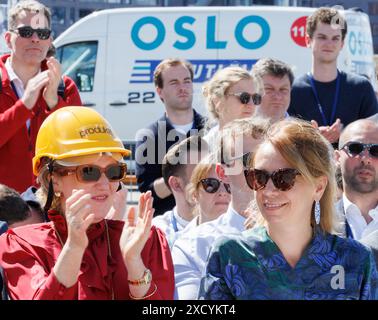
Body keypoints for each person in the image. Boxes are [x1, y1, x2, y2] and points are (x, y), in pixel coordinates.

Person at [0, 107, 174, 300]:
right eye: (89, 171)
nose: (105, 183)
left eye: (114, 171)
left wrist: (134, 265)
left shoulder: (147, 240)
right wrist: (73, 248)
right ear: (53, 180)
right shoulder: (22, 243)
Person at [200, 118, 378, 300]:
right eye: (258, 177)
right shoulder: (229, 254)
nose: (268, 190)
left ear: (318, 187)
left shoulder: (356, 259)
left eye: (284, 178)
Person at [172, 117, 268, 299]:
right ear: (222, 172)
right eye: (249, 159)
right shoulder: (195, 244)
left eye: (268, 158)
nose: (260, 168)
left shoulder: (303, 236)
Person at [0, 0, 82, 194]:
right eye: (26, 32)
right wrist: (24, 105)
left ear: (49, 40)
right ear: (8, 38)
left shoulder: (65, 87)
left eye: (43, 34)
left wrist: (54, 103)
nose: (35, 39)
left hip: (51, 204)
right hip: (3, 206)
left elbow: (77, 147)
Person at [288, 7, 378, 146]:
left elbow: (374, 136)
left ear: (342, 43)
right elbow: (285, 141)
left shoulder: (361, 88)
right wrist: (313, 137)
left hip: (350, 167)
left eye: (335, 38)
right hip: (308, 167)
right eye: (322, 37)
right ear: (308, 40)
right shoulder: (293, 90)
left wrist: (345, 134)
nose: (329, 44)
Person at [135, 58, 205, 217]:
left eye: (187, 81)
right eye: (174, 83)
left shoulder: (211, 131)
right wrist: (184, 175)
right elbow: (148, 193)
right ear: (159, 91)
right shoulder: (149, 137)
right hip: (168, 231)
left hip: (210, 227)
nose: (183, 88)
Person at [152, 135, 207, 247]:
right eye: (201, 173)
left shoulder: (233, 226)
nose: (214, 178)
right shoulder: (157, 232)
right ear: (176, 184)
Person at [334, 119, 378, 240]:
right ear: (337, 157)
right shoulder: (314, 223)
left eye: (375, 150)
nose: (365, 158)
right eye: (355, 148)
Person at [202, 66, 263, 151]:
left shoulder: (267, 145)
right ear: (217, 100)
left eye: (256, 98)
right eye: (244, 97)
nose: (251, 104)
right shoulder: (203, 150)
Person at [184, 161, 231, 229]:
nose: (223, 192)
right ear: (195, 194)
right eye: (211, 184)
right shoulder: (181, 239)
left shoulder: (248, 236)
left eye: (229, 185)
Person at [251, 58, 294, 123]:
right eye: (269, 89)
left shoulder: (302, 132)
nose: (278, 97)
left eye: (283, 89)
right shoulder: (238, 131)